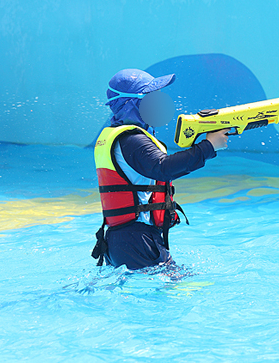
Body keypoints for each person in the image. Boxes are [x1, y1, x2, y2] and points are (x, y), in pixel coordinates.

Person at [90, 69, 228, 270]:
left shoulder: (119, 137)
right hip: (136, 240)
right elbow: (164, 168)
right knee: (179, 289)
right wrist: (208, 147)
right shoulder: (132, 140)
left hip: (122, 240)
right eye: (149, 97)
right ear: (132, 104)